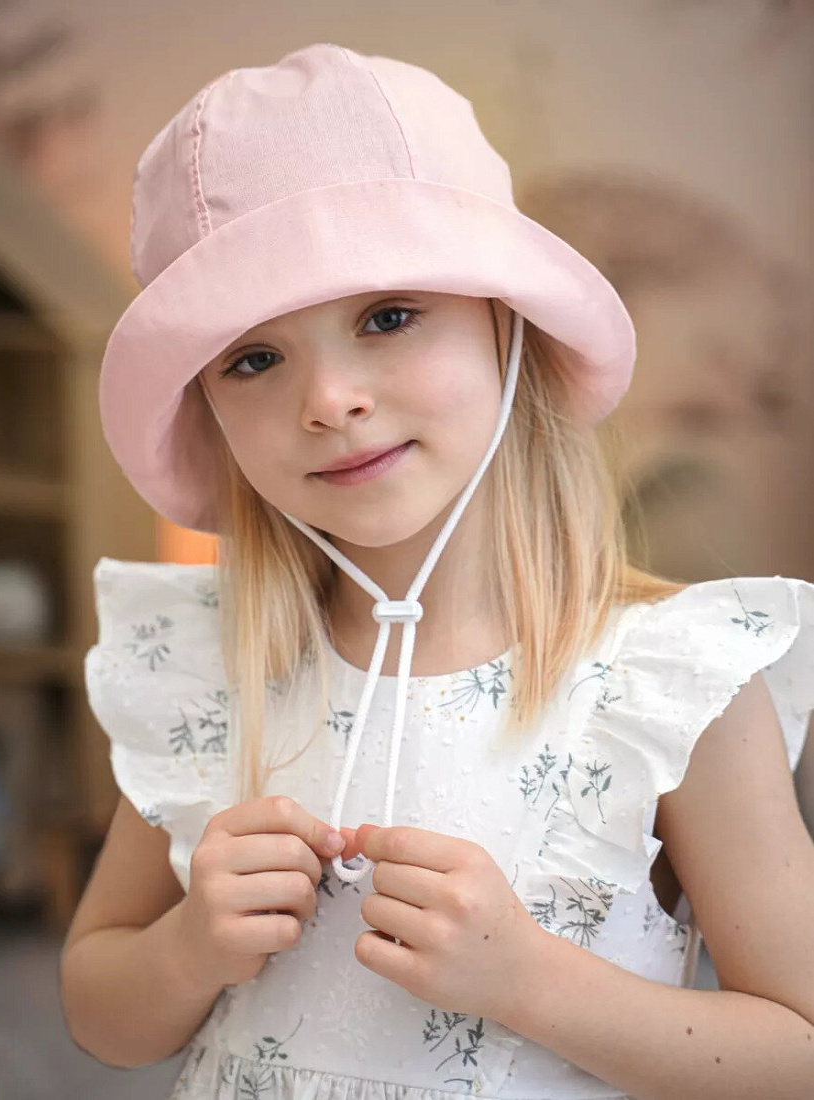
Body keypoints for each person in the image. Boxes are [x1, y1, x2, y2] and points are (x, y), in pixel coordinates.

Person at [58, 43, 814, 1100]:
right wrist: (186, 948)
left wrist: (531, 980)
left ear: (508, 327)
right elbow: (98, 1008)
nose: (329, 399)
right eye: (254, 358)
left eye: (388, 316)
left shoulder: (670, 682)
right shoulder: (216, 668)